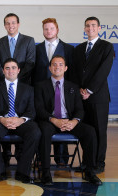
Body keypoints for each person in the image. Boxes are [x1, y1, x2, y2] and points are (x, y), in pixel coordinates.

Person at [35, 55, 102, 185]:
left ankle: (89, 171)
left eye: (60, 64)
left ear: (65, 68)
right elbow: (39, 109)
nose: (57, 67)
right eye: (54, 64)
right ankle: (46, 172)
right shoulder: (40, 86)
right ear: (49, 68)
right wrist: (54, 120)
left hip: (69, 121)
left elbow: (79, 109)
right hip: (50, 121)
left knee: (90, 132)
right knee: (43, 132)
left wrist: (74, 122)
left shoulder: (73, 86)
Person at [0, 58, 40, 184]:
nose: (11, 71)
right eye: (7, 68)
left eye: (14, 67)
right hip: (1, 121)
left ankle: (23, 172)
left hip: (20, 121)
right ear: (3, 71)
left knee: (35, 132)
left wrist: (21, 120)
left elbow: (31, 111)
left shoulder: (28, 89)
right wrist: (2, 119)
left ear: (19, 70)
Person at [71, 16, 114, 174]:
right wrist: (80, 91)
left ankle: (99, 163)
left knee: (99, 131)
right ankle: (87, 163)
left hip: (98, 97)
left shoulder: (106, 47)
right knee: (86, 132)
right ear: (84, 29)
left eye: (93, 25)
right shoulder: (79, 48)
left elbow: (103, 71)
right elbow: (75, 72)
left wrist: (89, 90)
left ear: (99, 28)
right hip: (81, 97)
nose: (90, 28)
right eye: (87, 26)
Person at [33, 18, 74, 166]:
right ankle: (42, 159)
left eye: (51, 28)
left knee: (61, 120)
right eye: (46, 29)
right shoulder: (36, 49)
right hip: (42, 94)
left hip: (60, 92)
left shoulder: (68, 49)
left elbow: (71, 74)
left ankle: (61, 159)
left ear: (57, 30)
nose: (48, 31)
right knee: (43, 126)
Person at [0, 13, 35, 84]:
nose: (10, 26)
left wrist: (16, 80)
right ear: (4, 26)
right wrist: (7, 79)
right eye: (8, 23)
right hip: (3, 83)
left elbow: (30, 63)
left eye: (13, 23)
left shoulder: (28, 41)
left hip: (23, 83)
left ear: (18, 24)